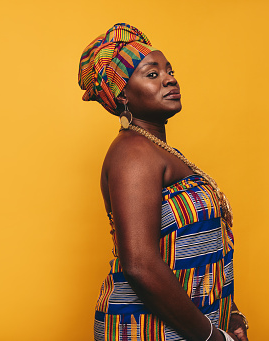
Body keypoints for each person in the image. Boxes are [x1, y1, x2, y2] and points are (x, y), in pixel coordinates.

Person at [78, 23, 249, 341]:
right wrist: (212, 337)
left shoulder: (161, 151)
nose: (169, 79)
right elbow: (140, 264)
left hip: (194, 324)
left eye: (170, 71)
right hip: (148, 329)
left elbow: (197, 244)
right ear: (123, 94)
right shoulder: (133, 153)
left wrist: (230, 311)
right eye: (152, 74)